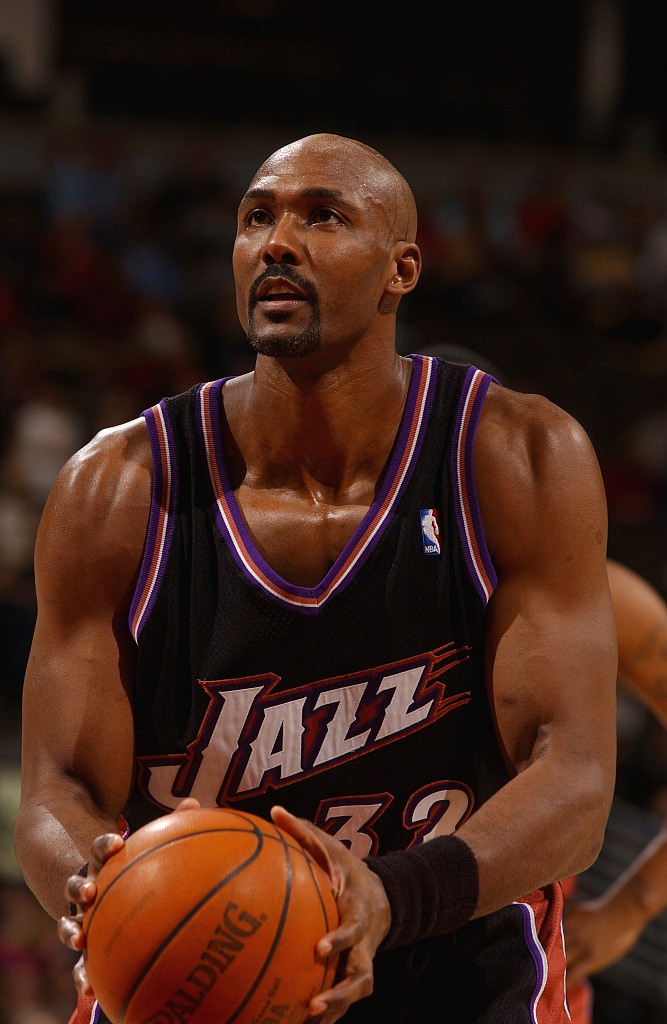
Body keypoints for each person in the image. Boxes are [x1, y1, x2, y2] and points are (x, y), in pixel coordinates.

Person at [15, 134, 617, 1024]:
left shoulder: (515, 457)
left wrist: (386, 898)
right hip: (203, 969)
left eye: (322, 217)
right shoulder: (117, 488)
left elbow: (573, 781)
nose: (277, 243)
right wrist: (100, 885)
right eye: (256, 217)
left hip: (455, 967)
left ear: (400, 270)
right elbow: (56, 788)